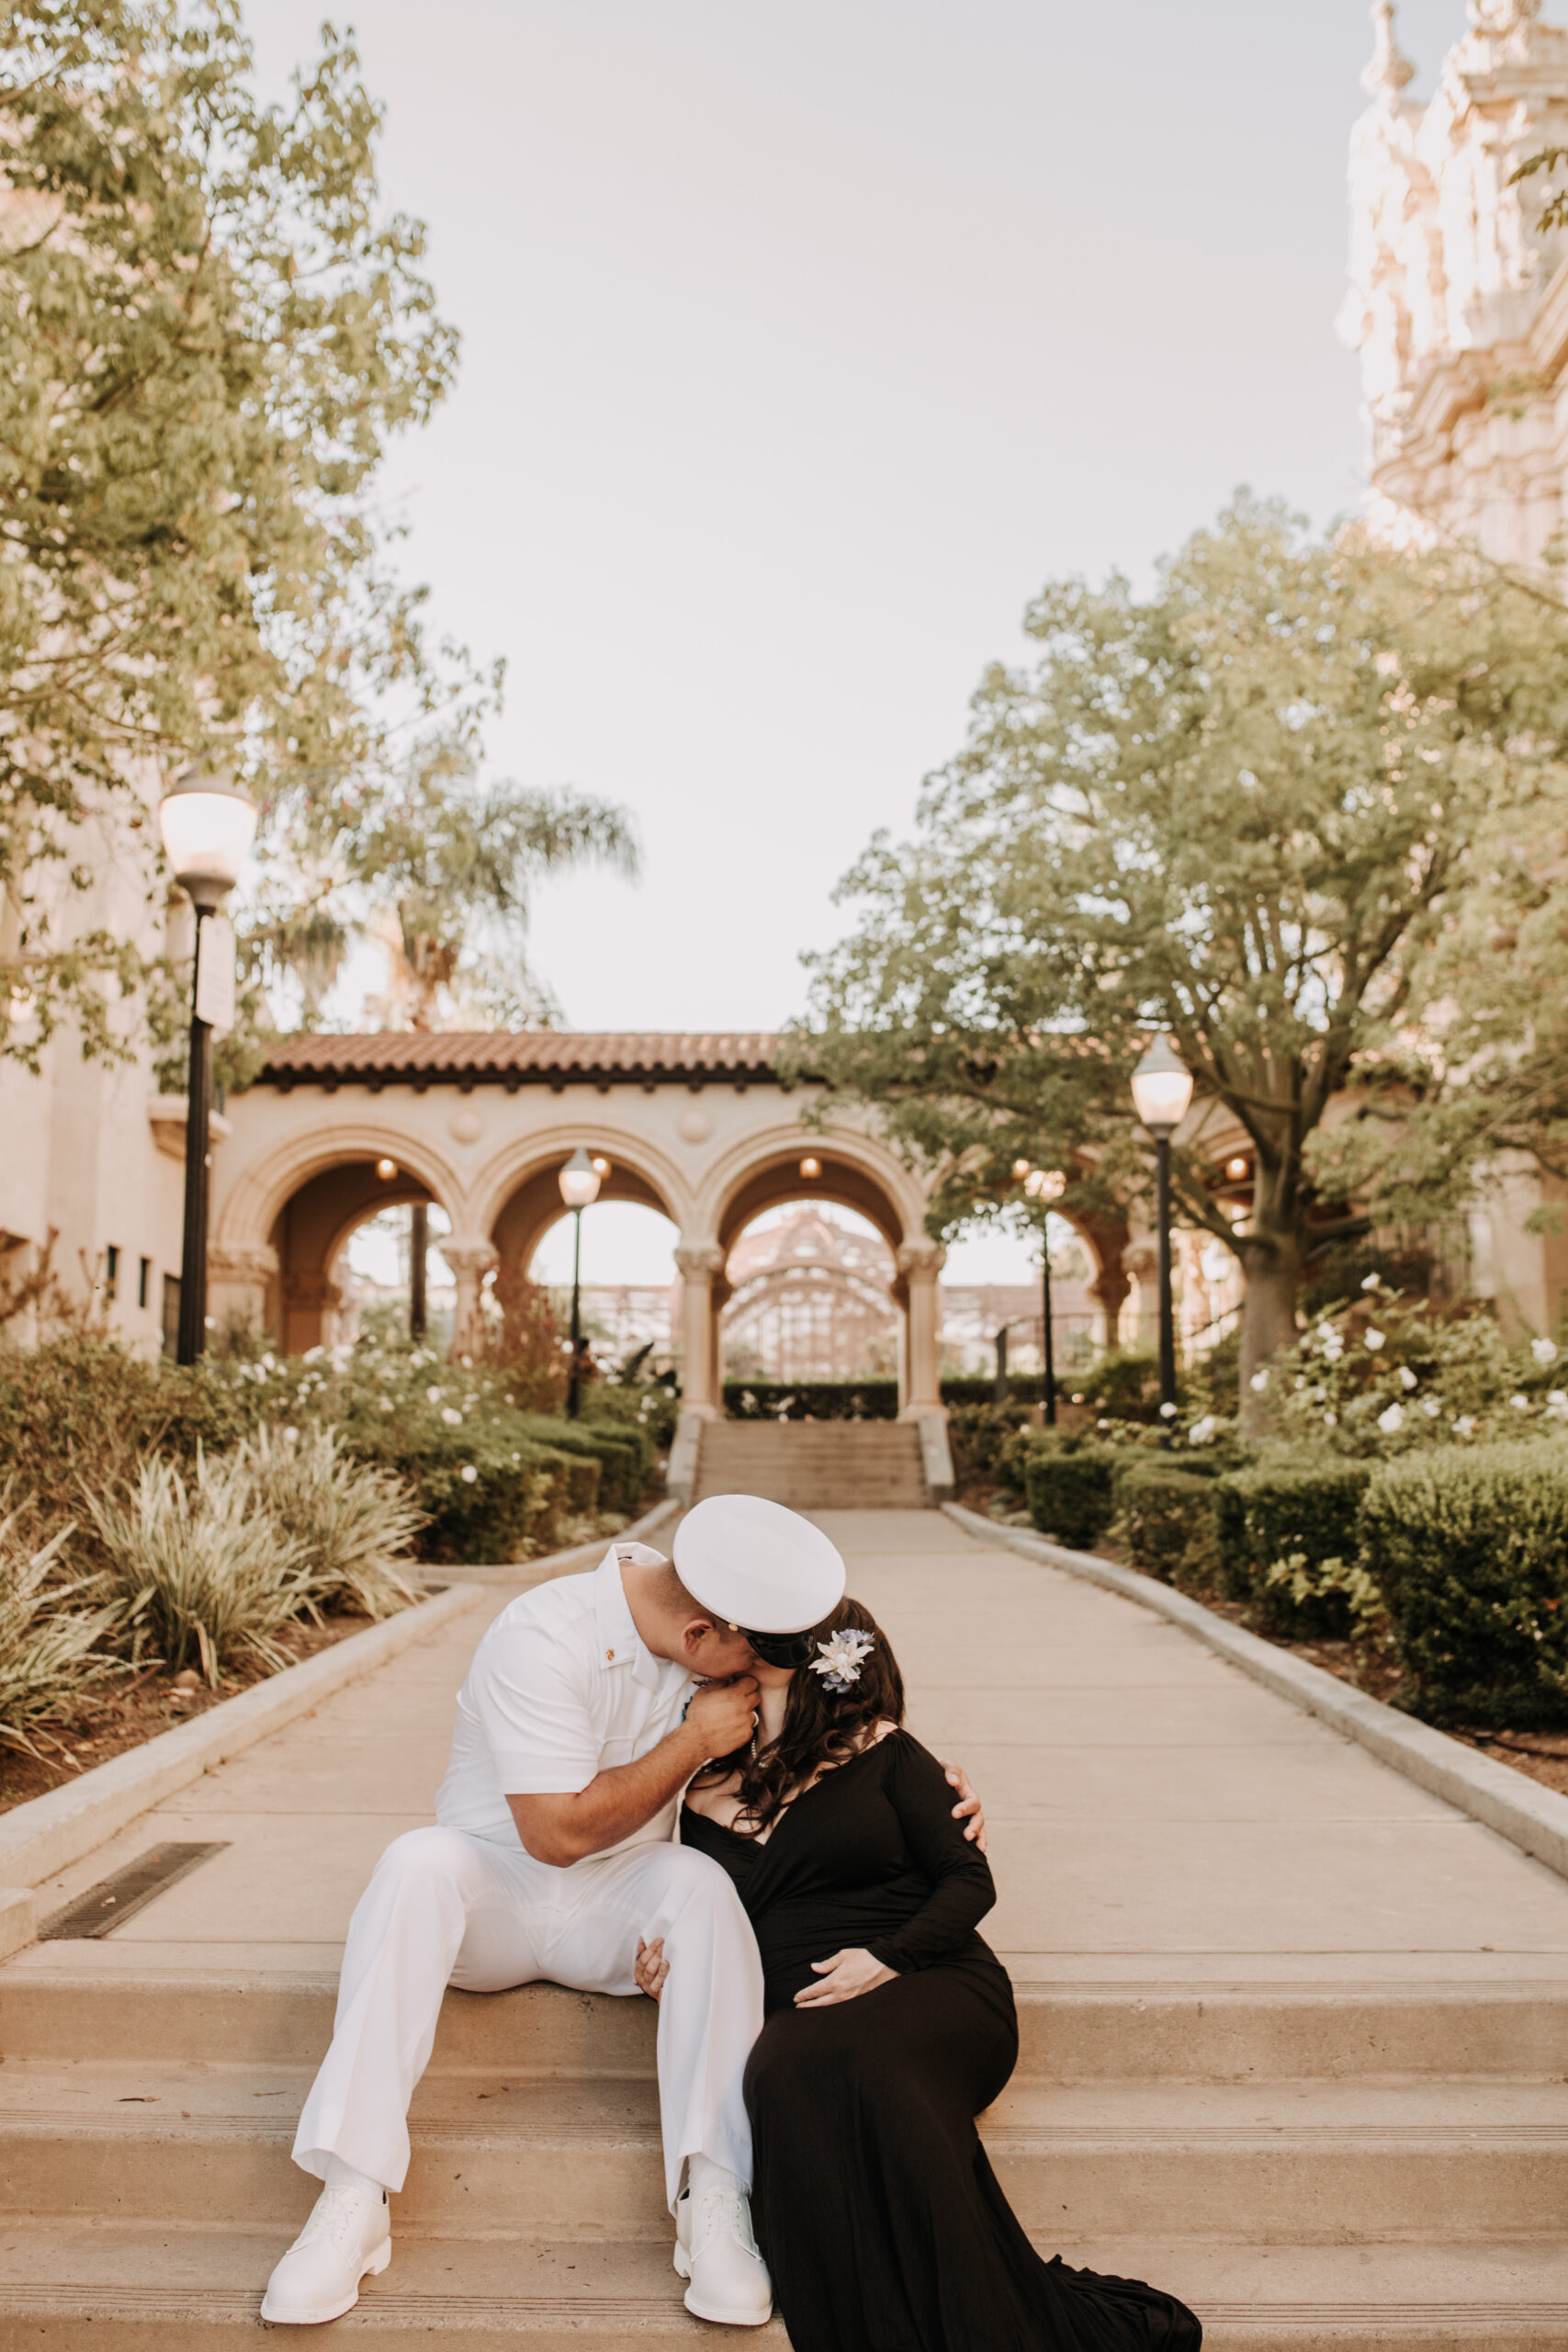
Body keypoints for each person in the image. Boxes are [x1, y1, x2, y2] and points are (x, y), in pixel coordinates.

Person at [261, 1498, 987, 2332]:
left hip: (626, 1901)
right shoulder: (540, 1635)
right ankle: (353, 2192)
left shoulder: (718, 1643)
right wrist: (689, 1743)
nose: (763, 1672)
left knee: (700, 1889)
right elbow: (555, 1833)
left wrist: (942, 1795)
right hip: (495, 1890)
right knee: (412, 1864)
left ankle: (712, 2197)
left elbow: (832, 1742)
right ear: (699, 1637)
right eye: (755, 1653)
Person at [637, 1595, 1203, 2352]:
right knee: (784, 2064)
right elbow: (689, 1906)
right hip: (808, 2012)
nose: (744, 1644)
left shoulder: (886, 1751)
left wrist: (886, 1958)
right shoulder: (699, 1787)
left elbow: (970, 1883)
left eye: (772, 1633)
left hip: (929, 1982)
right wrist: (664, 1959)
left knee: (832, 2057)